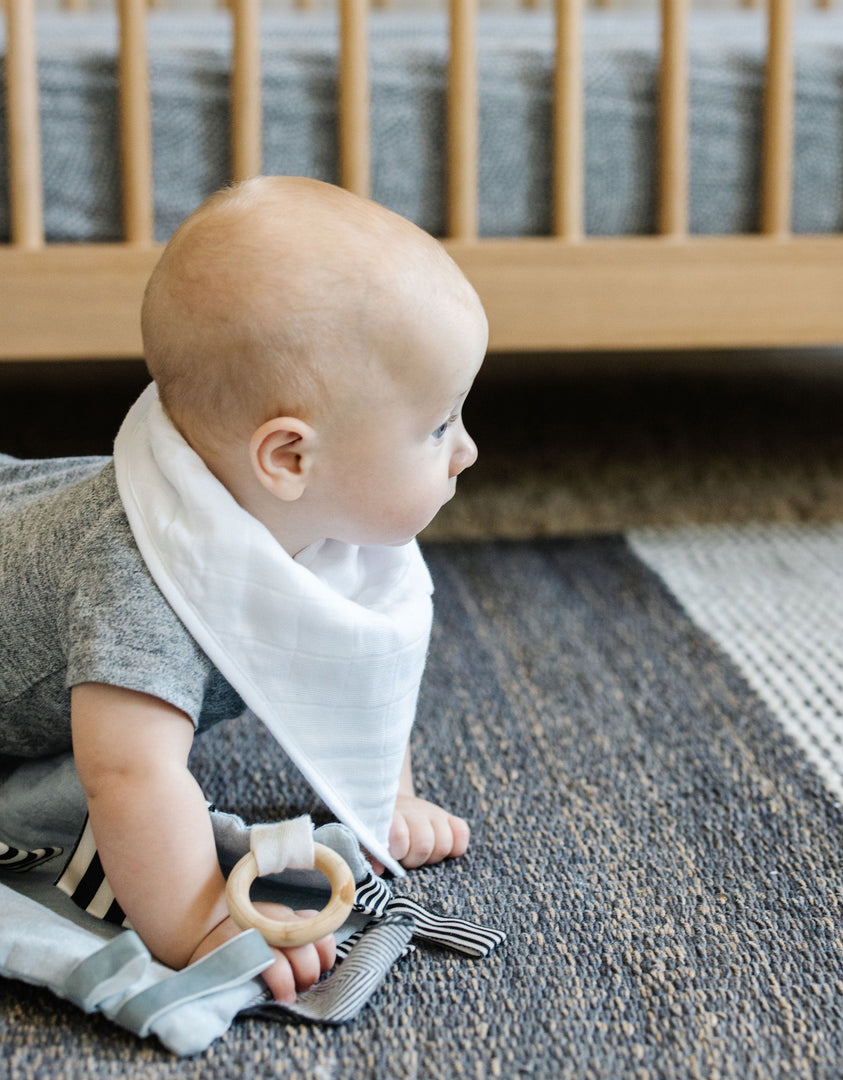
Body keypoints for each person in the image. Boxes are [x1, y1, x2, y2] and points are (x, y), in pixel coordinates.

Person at [0, 176, 487, 1004]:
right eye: (439, 426)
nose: (466, 451)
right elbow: (127, 776)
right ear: (289, 459)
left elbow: (353, 650)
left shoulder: (317, 527)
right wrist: (198, 923)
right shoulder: (139, 588)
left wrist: (383, 797)